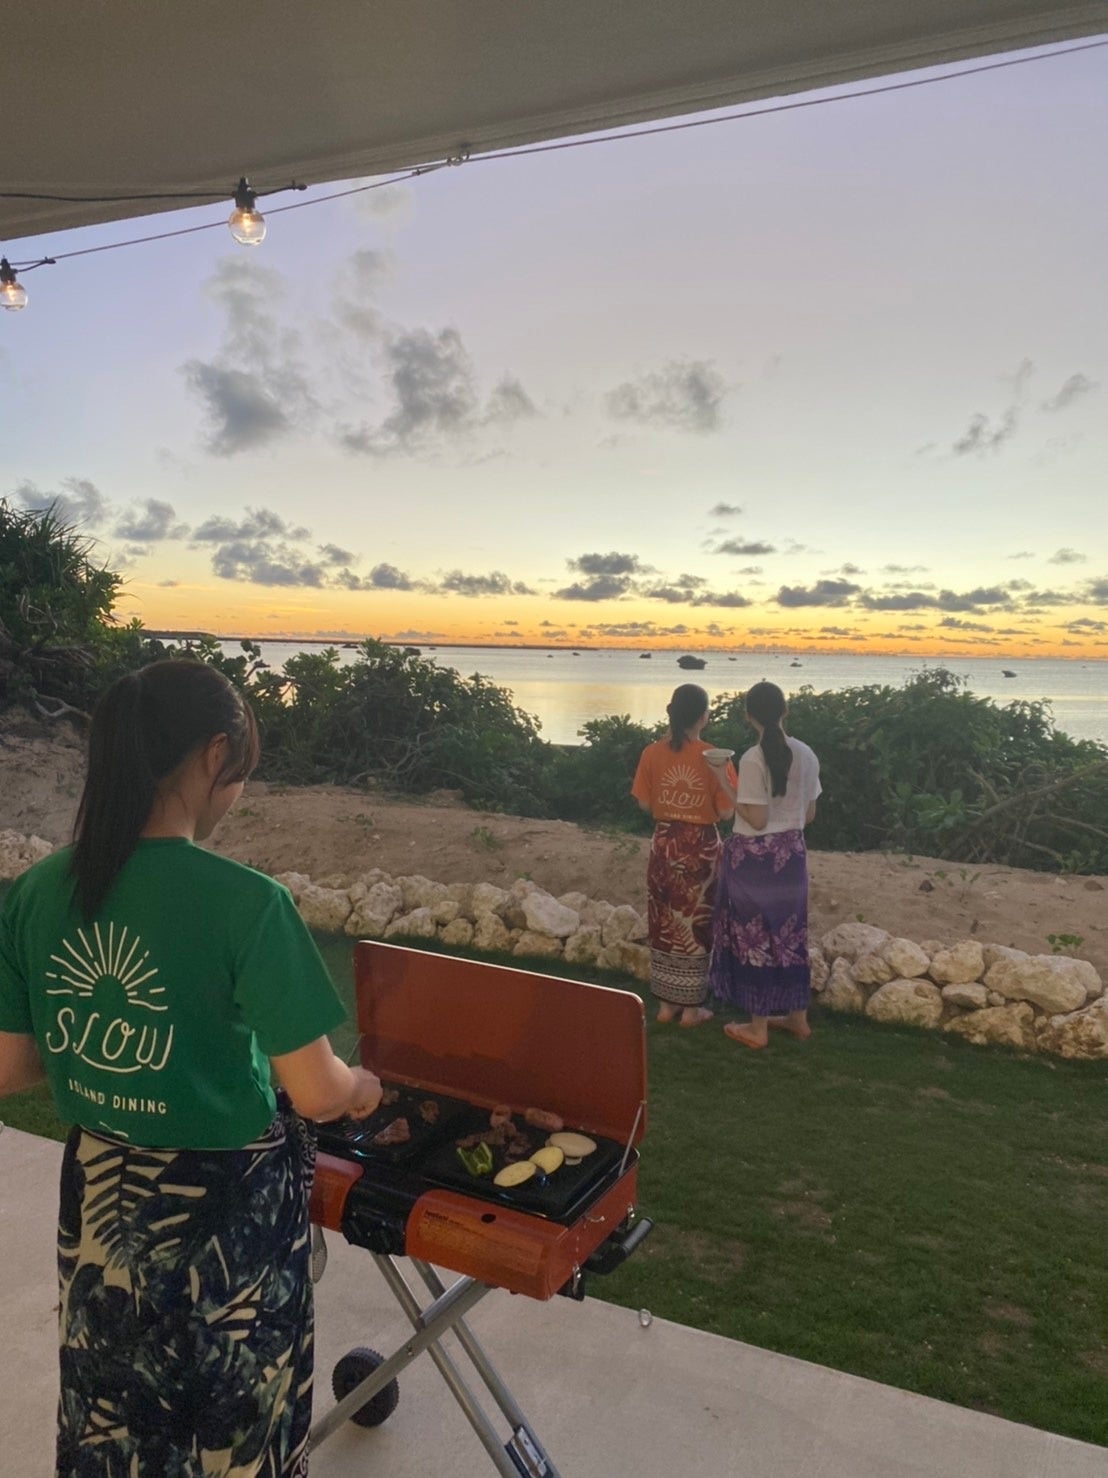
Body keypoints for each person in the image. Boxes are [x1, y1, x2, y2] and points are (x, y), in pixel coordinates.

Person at [0, 659, 382, 1477]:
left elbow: (10, 1066)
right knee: (229, 1430)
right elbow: (316, 1090)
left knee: (114, 1418)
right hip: (224, 1217)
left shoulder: (36, 891)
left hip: (101, 1199)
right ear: (215, 755)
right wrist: (363, 1086)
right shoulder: (248, 903)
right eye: (238, 771)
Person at [709, 680, 821, 1049]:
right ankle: (797, 1018)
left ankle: (757, 1028)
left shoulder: (753, 759)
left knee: (754, 936)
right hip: (792, 856)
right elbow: (809, 814)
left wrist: (723, 781)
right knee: (790, 935)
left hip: (755, 859)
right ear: (785, 710)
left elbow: (756, 820)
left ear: (748, 716)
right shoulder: (807, 754)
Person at [631, 684, 735, 1026]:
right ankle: (691, 1010)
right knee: (697, 923)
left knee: (663, 920)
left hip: (663, 842)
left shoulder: (651, 753)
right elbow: (726, 812)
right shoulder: (715, 757)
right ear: (704, 717)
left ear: (671, 712)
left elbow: (645, 804)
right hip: (700, 846)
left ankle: (666, 1005)